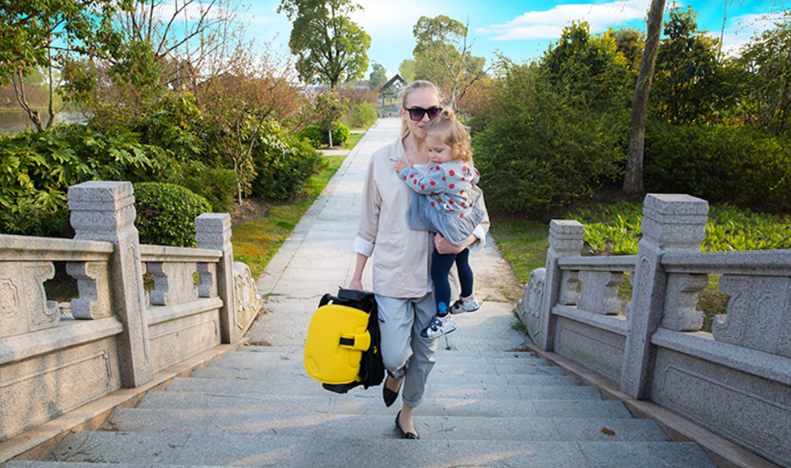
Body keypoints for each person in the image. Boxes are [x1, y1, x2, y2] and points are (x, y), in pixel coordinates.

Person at [349, 80, 489, 440]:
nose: (425, 118)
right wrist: (356, 276)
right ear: (404, 113)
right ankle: (395, 374)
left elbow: (481, 218)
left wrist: (463, 244)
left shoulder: (455, 160)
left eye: (433, 111)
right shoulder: (382, 161)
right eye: (417, 111)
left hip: (435, 280)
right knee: (395, 355)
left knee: (425, 357)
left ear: (442, 112)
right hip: (394, 274)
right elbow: (369, 222)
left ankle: (407, 413)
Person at [393, 108, 484, 339]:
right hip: (465, 220)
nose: (433, 155)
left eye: (438, 150)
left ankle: (443, 317)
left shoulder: (443, 171)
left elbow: (422, 185)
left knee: (439, 272)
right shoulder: (465, 166)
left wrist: (406, 171)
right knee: (462, 261)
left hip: (449, 226)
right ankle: (468, 297)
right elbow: (476, 176)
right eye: (430, 150)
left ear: (457, 148)